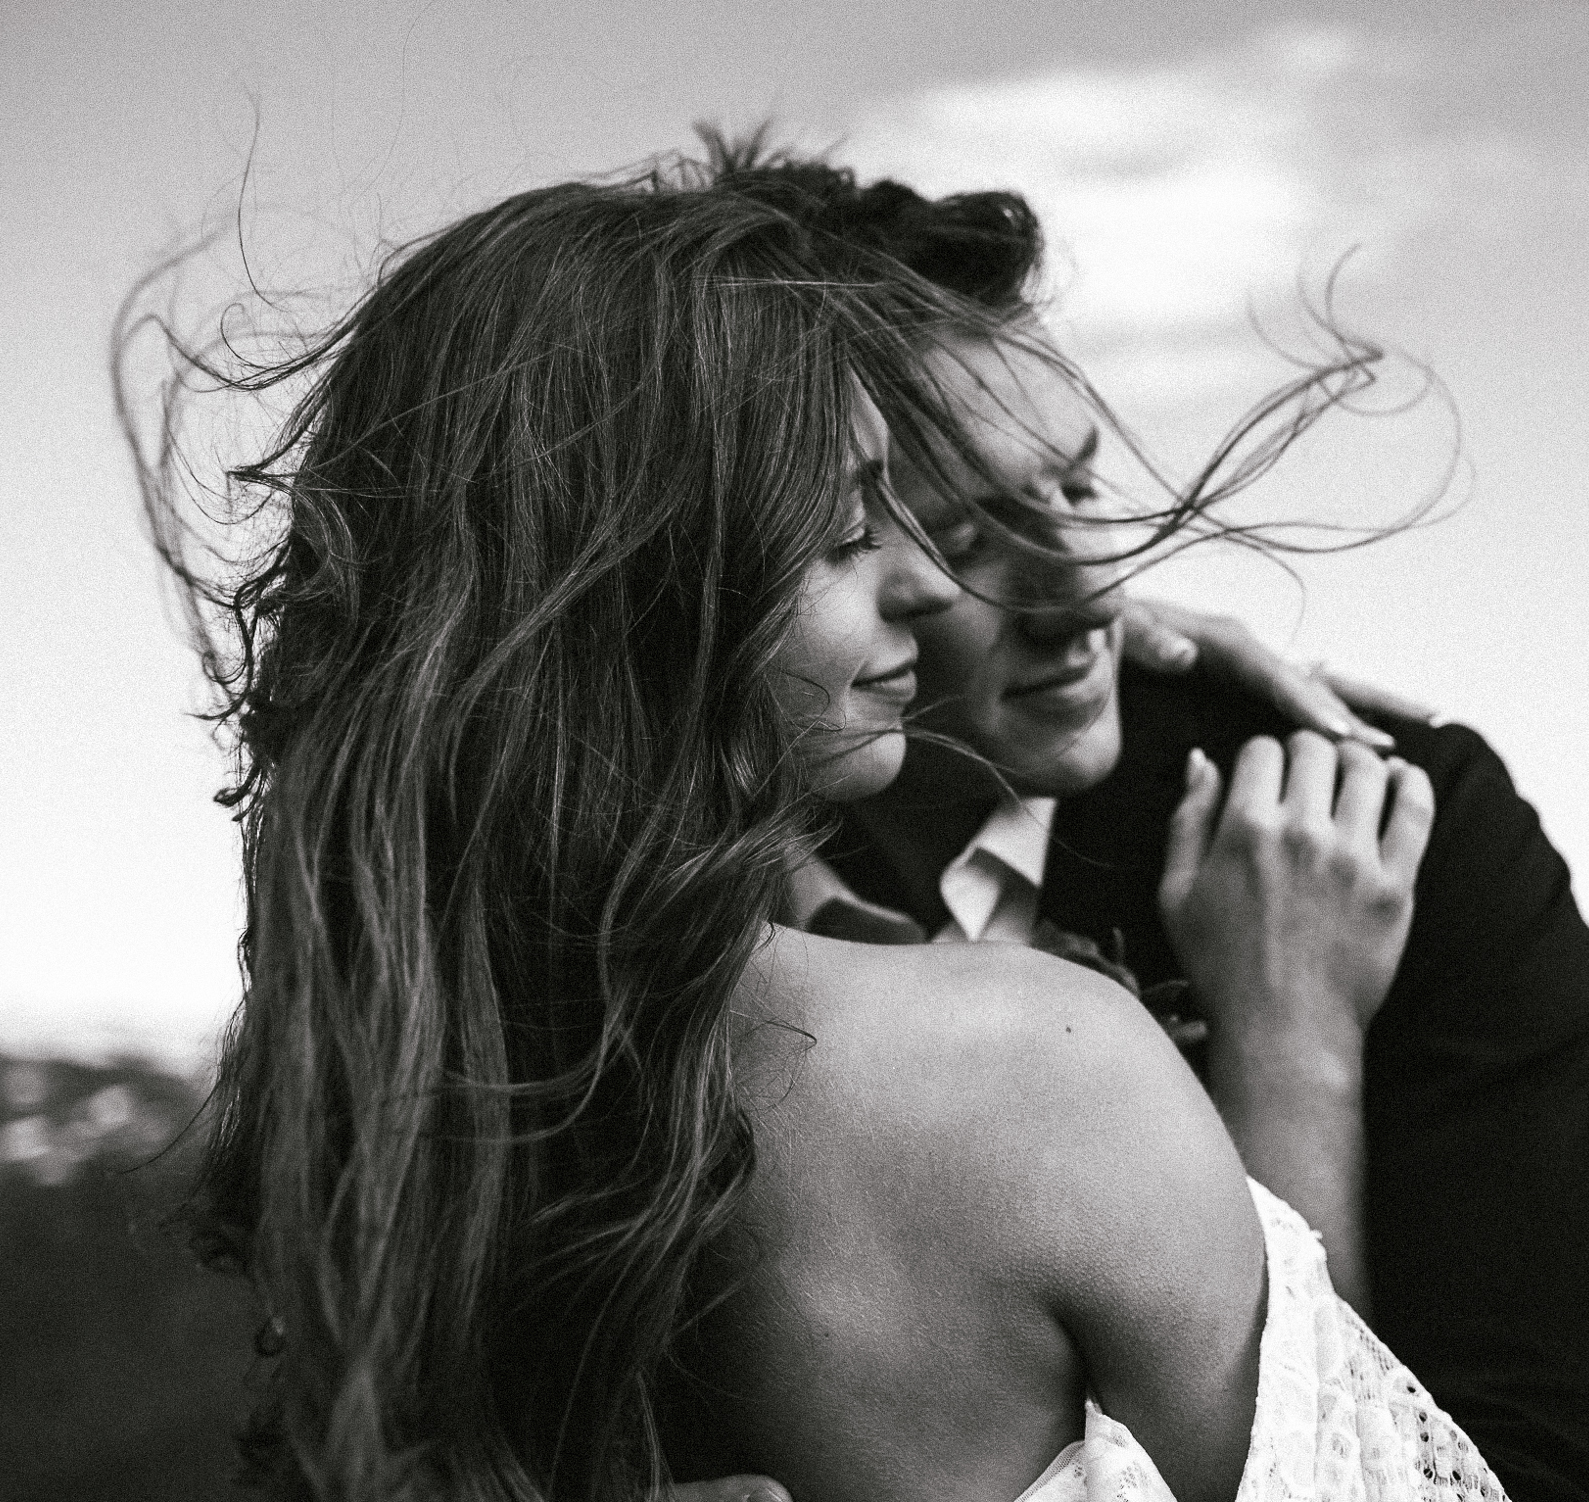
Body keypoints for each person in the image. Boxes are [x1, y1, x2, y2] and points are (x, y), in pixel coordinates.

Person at [124, 150, 1505, 1501]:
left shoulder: (413, 1098)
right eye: (854, 532)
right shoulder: (1041, 1073)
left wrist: (1072, 634)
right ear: (666, 592)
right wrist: (1292, 1041)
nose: (915, 581)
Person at [723, 158, 1589, 1502]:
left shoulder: (1380, 822)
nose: (1091, 588)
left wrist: (1295, 1052)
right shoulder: (699, 875)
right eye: (972, 535)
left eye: (1079, 487)